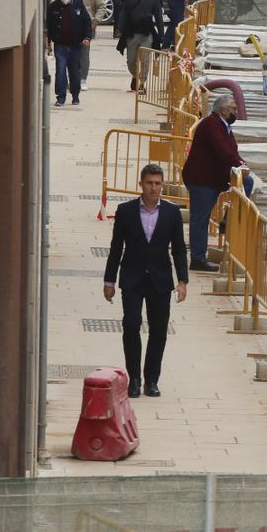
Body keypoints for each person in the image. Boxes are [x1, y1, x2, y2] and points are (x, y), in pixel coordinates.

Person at [103, 163, 188, 399]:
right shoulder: (126, 211)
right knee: (131, 324)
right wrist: (109, 281)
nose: (153, 188)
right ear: (141, 184)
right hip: (132, 277)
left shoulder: (172, 213)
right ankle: (135, 379)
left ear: (162, 185)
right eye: (149, 183)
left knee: (159, 330)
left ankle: (151, 379)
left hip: (160, 279)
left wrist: (182, 281)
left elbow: (179, 250)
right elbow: (116, 248)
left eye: (158, 183)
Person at [183, 91, 251, 272]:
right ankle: (197, 258)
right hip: (202, 178)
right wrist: (239, 165)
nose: (236, 112)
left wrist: (242, 165)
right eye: (233, 109)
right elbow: (222, 151)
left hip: (216, 176)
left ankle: (227, 220)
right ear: (223, 110)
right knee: (200, 218)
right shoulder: (211, 124)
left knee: (248, 182)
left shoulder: (225, 126)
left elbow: (233, 151)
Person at [116, 0, 164, 93]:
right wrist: (120, 28)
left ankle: (142, 83)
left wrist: (161, 36)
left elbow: (158, 17)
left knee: (145, 59)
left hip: (146, 33)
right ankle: (135, 76)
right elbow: (124, 12)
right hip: (131, 32)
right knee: (131, 60)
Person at [46, 0, 92, 106]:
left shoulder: (78, 5)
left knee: (74, 72)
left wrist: (87, 37)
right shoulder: (53, 7)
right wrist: (48, 42)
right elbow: (48, 27)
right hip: (60, 45)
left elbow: (87, 22)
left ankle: (75, 95)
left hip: (76, 45)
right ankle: (61, 97)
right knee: (60, 71)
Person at [67, 0, 106, 91]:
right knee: (71, 53)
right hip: (70, 25)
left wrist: (95, 21)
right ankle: (72, 78)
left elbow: (101, 6)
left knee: (84, 54)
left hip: (86, 26)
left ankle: (83, 79)